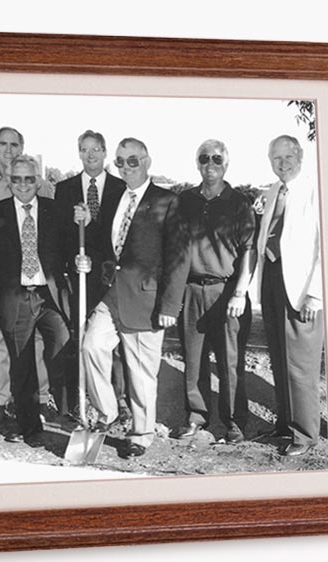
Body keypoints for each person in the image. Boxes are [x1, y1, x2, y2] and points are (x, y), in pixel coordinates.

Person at [77, 138, 189, 458]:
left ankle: (142, 432)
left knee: (140, 370)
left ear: (147, 161)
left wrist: (170, 305)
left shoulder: (167, 201)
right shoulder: (114, 198)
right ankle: (108, 412)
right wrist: (87, 256)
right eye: (120, 162)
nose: (126, 167)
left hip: (146, 300)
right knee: (92, 345)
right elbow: (103, 243)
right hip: (111, 293)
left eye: (132, 161)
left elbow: (179, 258)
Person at [0, 155, 70, 445]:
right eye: (17, 178)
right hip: (14, 297)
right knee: (21, 363)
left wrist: (83, 260)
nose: (23, 184)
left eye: (29, 178)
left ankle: (68, 414)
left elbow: (73, 247)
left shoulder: (56, 211)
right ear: (9, 181)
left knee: (62, 346)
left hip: (49, 297)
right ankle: (27, 424)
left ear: (38, 180)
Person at [0, 127, 54, 422]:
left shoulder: (41, 184)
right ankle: (0, 398)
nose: (9, 149)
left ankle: (41, 397)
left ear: (22, 147)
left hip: (34, 285)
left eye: (14, 144)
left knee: (38, 343)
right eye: (3, 144)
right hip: (1, 284)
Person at [176, 140, 256, 444]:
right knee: (193, 360)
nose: (211, 163)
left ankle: (234, 422)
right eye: (204, 158)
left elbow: (249, 251)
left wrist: (240, 292)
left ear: (226, 164)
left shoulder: (239, 202)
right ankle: (196, 417)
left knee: (229, 362)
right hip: (192, 290)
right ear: (197, 162)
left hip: (227, 293)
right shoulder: (184, 200)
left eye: (217, 158)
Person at [256, 135, 324, 456]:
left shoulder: (316, 189)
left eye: (287, 157)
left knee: (301, 364)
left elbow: (327, 245)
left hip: (301, 288)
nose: (282, 164)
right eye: (275, 159)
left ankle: (305, 435)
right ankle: (284, 423)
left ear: (300, 156)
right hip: (271, 277)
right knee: (279, 358)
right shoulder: (274, 190)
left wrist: (316, 294)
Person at [54, 130, 128, 419]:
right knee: (80, 337)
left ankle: (118, 400)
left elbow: (117, 235)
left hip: (111, 278)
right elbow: (60, 237)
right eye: (85, 149)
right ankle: (80, 398)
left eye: (96, 149)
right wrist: (73, 260)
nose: (91, 155)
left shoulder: (121, 188)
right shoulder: (65, 189)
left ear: (105, 152)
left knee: (113, 343)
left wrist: (91, 222)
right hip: (79, 278)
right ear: (79, 153)